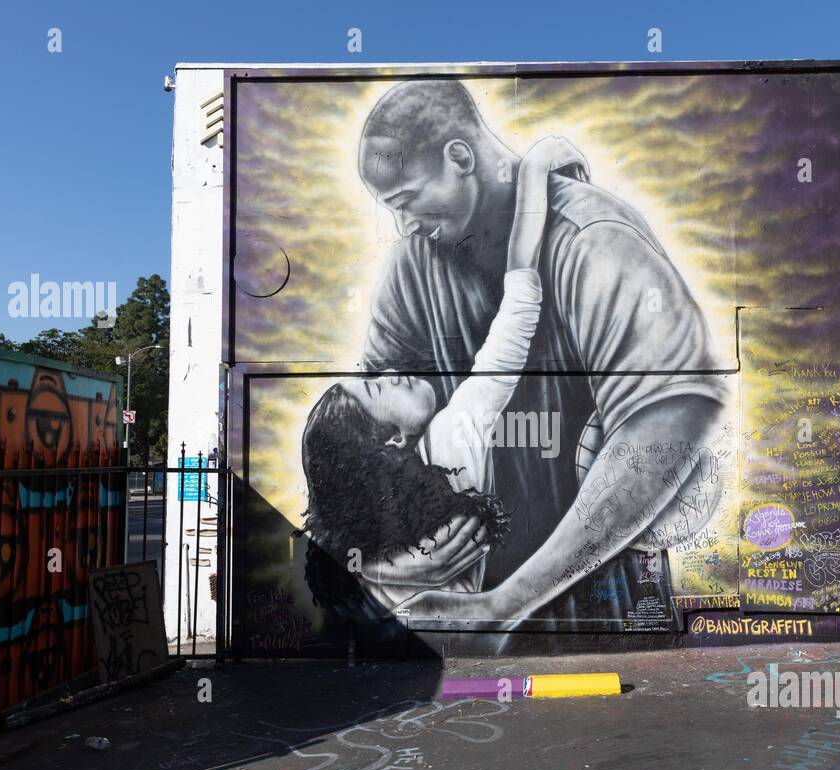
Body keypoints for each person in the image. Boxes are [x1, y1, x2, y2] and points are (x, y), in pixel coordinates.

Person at [355, 79, 729, 628]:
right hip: (462, 612)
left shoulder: (593, 237)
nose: (403, 225)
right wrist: (386, 567)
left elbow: (667, 422)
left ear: (458, 158)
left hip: (606, 616)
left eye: (406, 201)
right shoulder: (411, 268)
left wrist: (501, 606)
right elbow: (359, 445)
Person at [302, 136, 590, 607]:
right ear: (391, 441)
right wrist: (536, 168)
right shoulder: (452, 440)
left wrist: (374, 566)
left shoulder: (371, 537)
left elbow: (328, 526)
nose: (389, 372)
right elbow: (517, 314)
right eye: (377, 389)